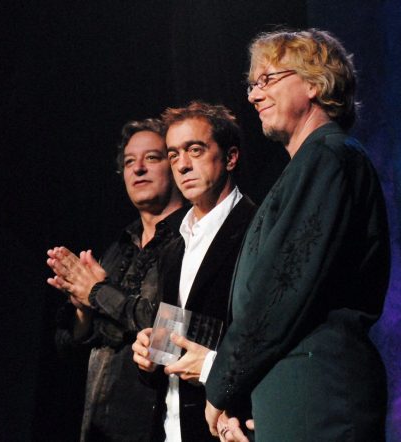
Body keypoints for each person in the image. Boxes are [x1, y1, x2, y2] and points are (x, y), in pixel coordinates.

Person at [204, 29, 390, 441]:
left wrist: (223, 386)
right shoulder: (310, 164)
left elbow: (282, 286)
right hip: (295, 392)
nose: (254, 95)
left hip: (319, 392)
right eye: (252, 85)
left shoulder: (328, 156)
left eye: (267, 79)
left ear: (314, 83)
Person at [47, 118, 185, 441]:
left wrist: (98, 292)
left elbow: (171, 335)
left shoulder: (188, 240)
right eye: (129, 162)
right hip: (98, 429)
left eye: (152, 158)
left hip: (157, 428)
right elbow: (70, 353)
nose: (138, 169)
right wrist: (82, 309)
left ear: (174, 165)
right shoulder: (119, 247)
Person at [130, 102, 256, 442]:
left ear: (230, 157)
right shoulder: (174, 243)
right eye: (173, 155)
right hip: (170, 428)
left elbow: (267, 339)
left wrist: (213, 366)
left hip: (228, 427)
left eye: (195, 150)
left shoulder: (256, 230)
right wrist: (148, 357)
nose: (182, 164)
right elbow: (168, 347)